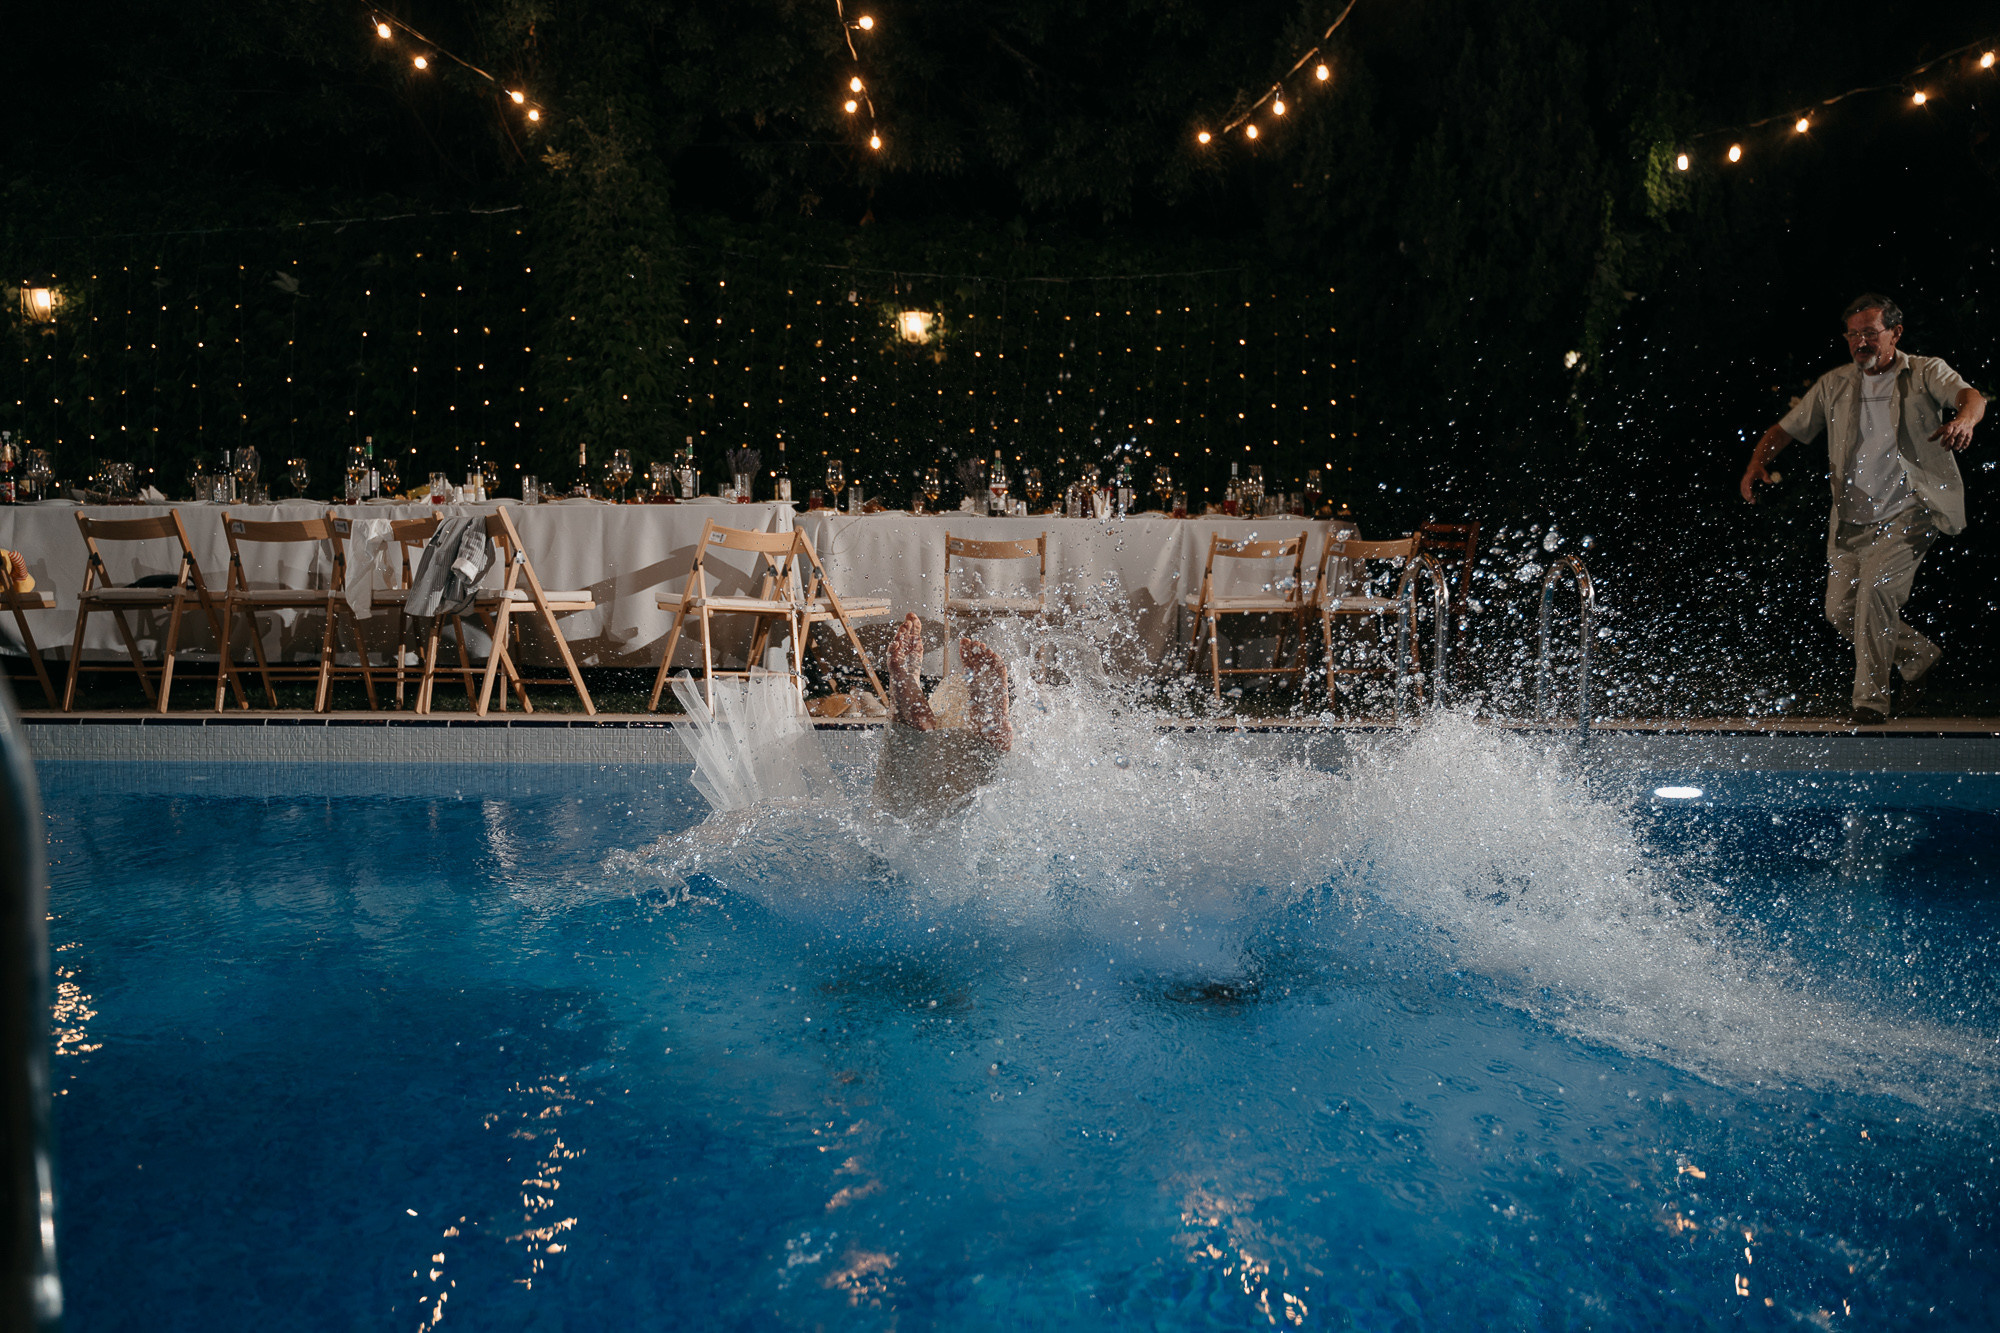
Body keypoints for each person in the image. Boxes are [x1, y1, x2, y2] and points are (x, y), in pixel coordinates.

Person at [1740, 294, 1984, 725]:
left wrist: (1963, 419)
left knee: (1875, 595)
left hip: (1910, 511)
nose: (1861, 342)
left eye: (1871, 333)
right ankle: (1919, 656)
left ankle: (1870, 703)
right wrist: (1757, 461)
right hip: (1850, 520)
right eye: (1853, 335)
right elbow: (1785, 429)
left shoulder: (1925, 371)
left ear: (1895, 333)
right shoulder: (1835, 384)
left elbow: (1971, 396)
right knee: (1840, 611)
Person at [872, 613, 1013, 822]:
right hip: (968, 835)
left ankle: (906, 718)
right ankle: (987, 739)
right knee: (974, 797)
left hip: (890, 831)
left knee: (887, 813)